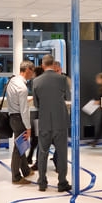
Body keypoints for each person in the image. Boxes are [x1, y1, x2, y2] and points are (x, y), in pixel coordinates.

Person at [32, 54, 71, 193]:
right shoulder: (62, 79)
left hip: (44, 122)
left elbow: (36, 104)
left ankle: (42, 182)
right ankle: (62, 183)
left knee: (42, 153)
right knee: (62, 153)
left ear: (43, 65)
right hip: (60, 121)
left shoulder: (36, 81)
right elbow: (68, 97)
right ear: (54, 65)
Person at [4, 60, 36, 184]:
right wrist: (28, 127)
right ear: (28, 70)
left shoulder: (12, 81)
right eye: (32, 71)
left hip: (12, 117)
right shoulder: (22, 87)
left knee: (21, 145)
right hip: (19, 119)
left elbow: (15, 101)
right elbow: (23, 110)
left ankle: (26, 170)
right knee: (18, 148)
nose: (32, 75)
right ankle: (16, 177)